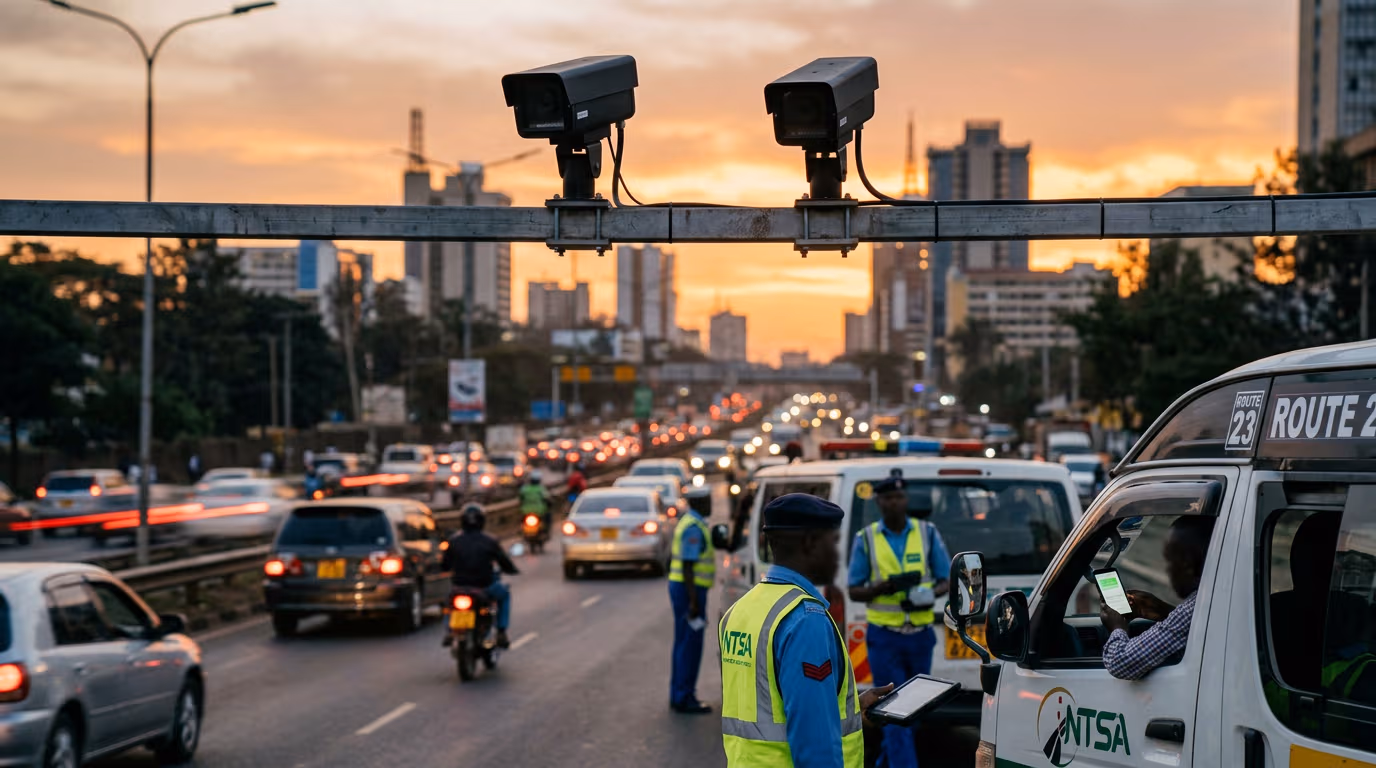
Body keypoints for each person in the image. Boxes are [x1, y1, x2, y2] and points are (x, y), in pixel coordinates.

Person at [721, 493, 893, 768]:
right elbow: (814, 744)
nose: (837, 553)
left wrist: (850, 710)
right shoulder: (804, 619)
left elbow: (769, 706)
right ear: (811, 543)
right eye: (833, 542)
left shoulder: (740, 610)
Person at [846, 477, 949, 768]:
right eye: (888, 498)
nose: (895, 502)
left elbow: (946, 578)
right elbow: (854, 589)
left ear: (906, 499)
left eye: (899, 496)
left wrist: (927, 594)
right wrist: (884, 587)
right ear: (878, 502)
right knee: (893, 712)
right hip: (884, 638)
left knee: (914, 713)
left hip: (920, 636)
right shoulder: (865, 539)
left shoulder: (927, 533)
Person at [1100, 516, 1215, 680]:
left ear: (1188, 566)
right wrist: (1165, 611)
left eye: (1170, 561)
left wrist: (1117, 627)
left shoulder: (1195, 607)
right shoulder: (1215, 599)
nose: (1168, 570)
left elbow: (1121, 662)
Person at [442, 504, 520, 648]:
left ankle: (449, 630)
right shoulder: (490, 541)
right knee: (504, 595)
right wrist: (512, 570)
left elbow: (445, 565)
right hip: (484, 586)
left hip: (460, 586)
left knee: (449, 601)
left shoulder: (453, 541)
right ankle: (501, 631)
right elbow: (504, 561)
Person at [668, 488, 715, 714]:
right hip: (690, 590)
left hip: (687, 589)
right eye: (707, 500)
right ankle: (685, 696)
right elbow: (688, 565)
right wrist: (694, 602)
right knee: (690, 645)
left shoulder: (690, 522)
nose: (711, 504)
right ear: (698, 502)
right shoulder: (693, 527)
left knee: (683, 643)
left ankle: (679, 693)